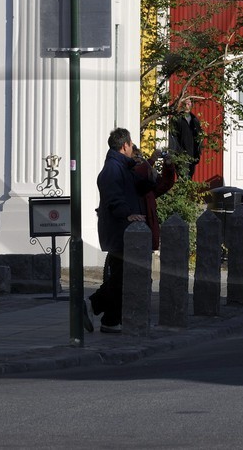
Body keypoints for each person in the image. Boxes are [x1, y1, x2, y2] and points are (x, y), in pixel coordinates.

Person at [89, 127, 145, 333]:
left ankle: (111, 321)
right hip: (119, 230)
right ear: (125, 146)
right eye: (131, 144)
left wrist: (146, 164)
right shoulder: (113, 168)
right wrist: (126, 214)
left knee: (121, 276)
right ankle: (91, 304)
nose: (132, 148)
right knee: (121, 277)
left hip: (123, 230)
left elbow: (143, 186)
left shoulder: (123, 167)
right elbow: (113, 195)